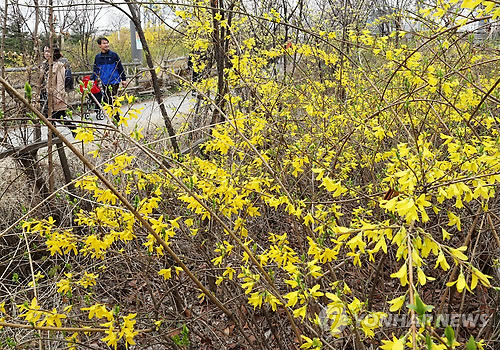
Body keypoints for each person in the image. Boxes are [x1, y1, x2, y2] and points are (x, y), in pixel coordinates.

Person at [40, 46, 77, 137]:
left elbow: (60, 82)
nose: (47, 53)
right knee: (49, 117)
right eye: (45, 51)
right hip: (45, 94)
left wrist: (59, 95)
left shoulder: (59, 65)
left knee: (59, 116)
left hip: (55, 94)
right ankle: (53, 135)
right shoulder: (43, 65)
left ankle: (73, 128)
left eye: (49, 51)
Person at [91, 37, 127, 124]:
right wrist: (92, 79)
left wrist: (123, 79)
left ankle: (116, 118)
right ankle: (115, 117)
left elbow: (120, 67)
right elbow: (96, 69)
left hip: (114, 80)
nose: (106, 45)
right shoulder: (98, 57)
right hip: (105, 81)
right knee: (108, 99)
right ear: (100, 45)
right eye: (104, 43)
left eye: (107, 43)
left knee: (112, 99)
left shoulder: (114, 55)